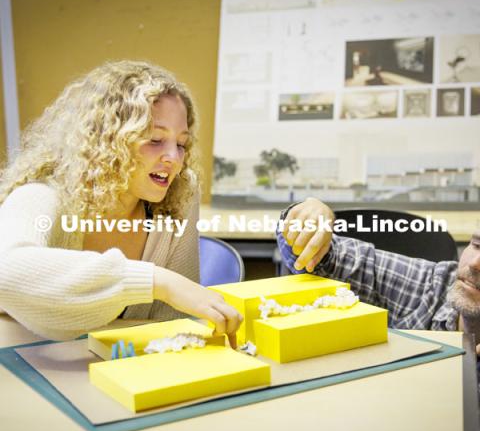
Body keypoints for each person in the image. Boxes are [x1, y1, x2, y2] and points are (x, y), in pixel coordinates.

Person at [0, 60, 242, 347]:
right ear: (107, 140)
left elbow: (170, 325)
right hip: (28, 369)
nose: (174, 159)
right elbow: (6, 269)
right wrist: (156, 281)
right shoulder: (42, 194)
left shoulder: (179, 193)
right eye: (155, 140)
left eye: (181, 144)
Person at [276, 197, 480, 352]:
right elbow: (327, 262)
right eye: (477, 245)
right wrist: (307, 219)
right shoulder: (434, 286)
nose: (474, 263)